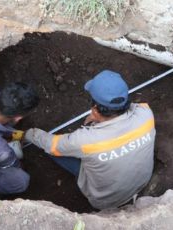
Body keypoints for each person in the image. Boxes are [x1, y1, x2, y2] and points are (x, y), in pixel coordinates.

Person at [25, 70, 156, 209]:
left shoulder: (85, 140)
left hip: (105, 201)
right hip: (141, 183)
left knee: (53, 151)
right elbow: (133, 109)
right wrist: (98, 117)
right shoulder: (146, 114)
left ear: (95, 109)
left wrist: (27, 134)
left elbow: (51, 145)